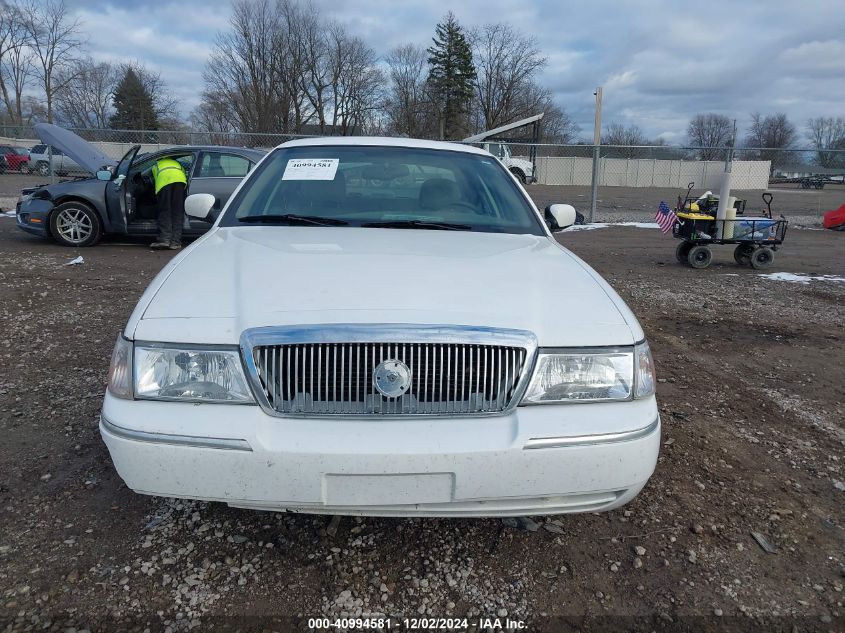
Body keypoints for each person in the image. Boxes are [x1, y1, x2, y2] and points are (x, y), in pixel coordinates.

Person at [149, 157, 188, 250]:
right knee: (177, 212)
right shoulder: (177, 164)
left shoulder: (156, 165)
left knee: (165, 211)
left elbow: (152, 180)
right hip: (180, 182)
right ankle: (175, 242)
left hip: (164, 183)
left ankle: (164, 240)